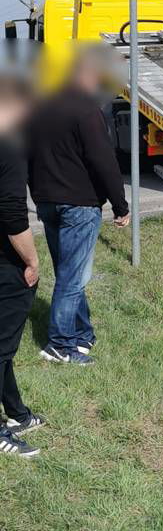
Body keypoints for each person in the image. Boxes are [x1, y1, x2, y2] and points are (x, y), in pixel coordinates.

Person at [28, 46, 130, 366]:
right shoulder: (87, 109)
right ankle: (60, 345)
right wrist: (120, 205)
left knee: (68, 271)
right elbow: (103, 160)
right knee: (72, 277)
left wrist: (38, 192)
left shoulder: (41, 106)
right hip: (79, 205)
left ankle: (81, 335)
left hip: (47, 201)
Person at [0, 61, 46, 457]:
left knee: (3, 346)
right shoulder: (10, 143)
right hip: (5, 263)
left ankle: (16, 412)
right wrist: (32, 261)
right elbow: (13, 214)